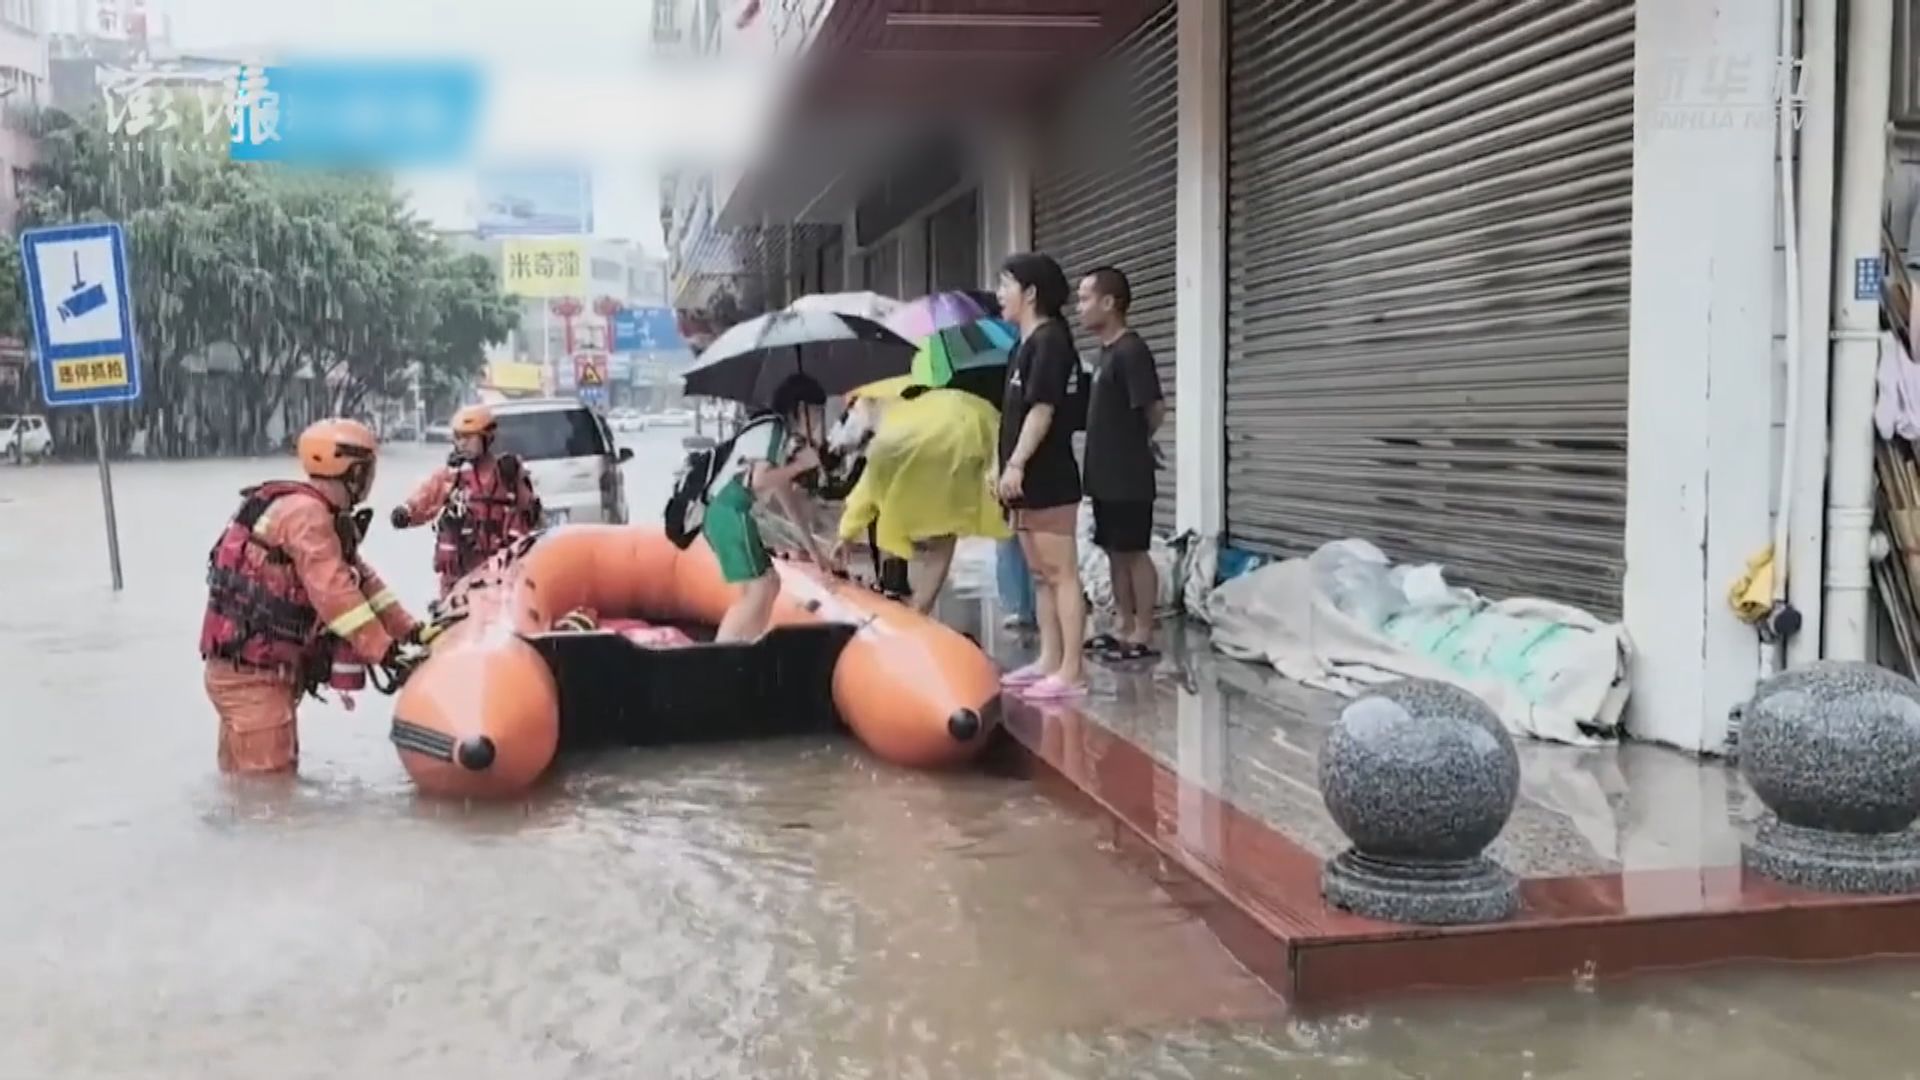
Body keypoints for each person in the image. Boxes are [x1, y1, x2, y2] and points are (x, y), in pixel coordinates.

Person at [199, 419, 425, 774]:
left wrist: (410, 631)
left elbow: (362, 581)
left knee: (241, 784)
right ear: (353, 472)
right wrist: (385, 652)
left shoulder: (307, 510)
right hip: (254, 678)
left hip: (244, 670)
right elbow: (336, 595)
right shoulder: (308, 516)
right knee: (268, 792)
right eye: (368, 471)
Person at [995, 252, 1089, 698]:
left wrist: (1017, 463)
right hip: (1023, 480)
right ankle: (1049, 660)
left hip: (1048, 475)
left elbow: (1043, 409)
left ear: (1030, 293)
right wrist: (1003, 467)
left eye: (1005, 285)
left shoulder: (1051, 342)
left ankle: (1072, 671)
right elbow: (1013, 415)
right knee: (1040, 574)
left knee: (1061, 571)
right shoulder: (1022, 344)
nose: (999, 295)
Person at [831, 381, 1009, 616]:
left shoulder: (886, 437)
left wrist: (845, 536)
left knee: (895, 515)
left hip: (954, 435)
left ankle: (906, 599)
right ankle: (919, 608)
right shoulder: (901, 409)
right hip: (977, 423)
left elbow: (868, 491)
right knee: (946, 528)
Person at [704, 374, 840, 642]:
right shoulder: (774, 430)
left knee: (769, 585)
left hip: (728, 513)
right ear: (800, 410)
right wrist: (801, 466)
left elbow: (786, 497)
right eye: (816, 413)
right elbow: (759, 480)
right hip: (729, 510)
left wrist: (814, 552)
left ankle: (746, 647)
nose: (818, 422)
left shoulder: (780, 436)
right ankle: (723, 657)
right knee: (759, 588)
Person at [1077, 267, 1167, 661]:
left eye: (1085, 298)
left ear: (1109, 303)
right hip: (1103, 474)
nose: (1080, 307)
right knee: (1113, 550)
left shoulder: (1132, 351)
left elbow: (1154, 407)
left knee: (1134, 551)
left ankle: (1144, 629)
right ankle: (1122, 623)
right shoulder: (1104, 354)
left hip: (1129, 474)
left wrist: (1137, 442)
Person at [390, 404, 541, 595]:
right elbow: (427, 495)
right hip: (461, 572)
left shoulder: (507, 472)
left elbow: (531, 513)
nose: (462, 443)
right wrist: (406, 512)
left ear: (487, 437)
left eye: (469, 437)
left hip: (501, 570)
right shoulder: (453, 475)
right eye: (459, 437)